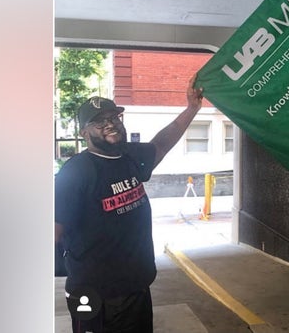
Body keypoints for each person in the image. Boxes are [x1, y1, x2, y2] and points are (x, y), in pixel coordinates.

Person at [55, 77, 204, 332]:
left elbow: (162, 144)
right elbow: (53, 233)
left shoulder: (130, 157)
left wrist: (191, 109)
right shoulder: (76, 172)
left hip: (136, 288)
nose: (110, 124)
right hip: (91, 294)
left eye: (114, 117)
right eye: (99, 121)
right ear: (84, 133)